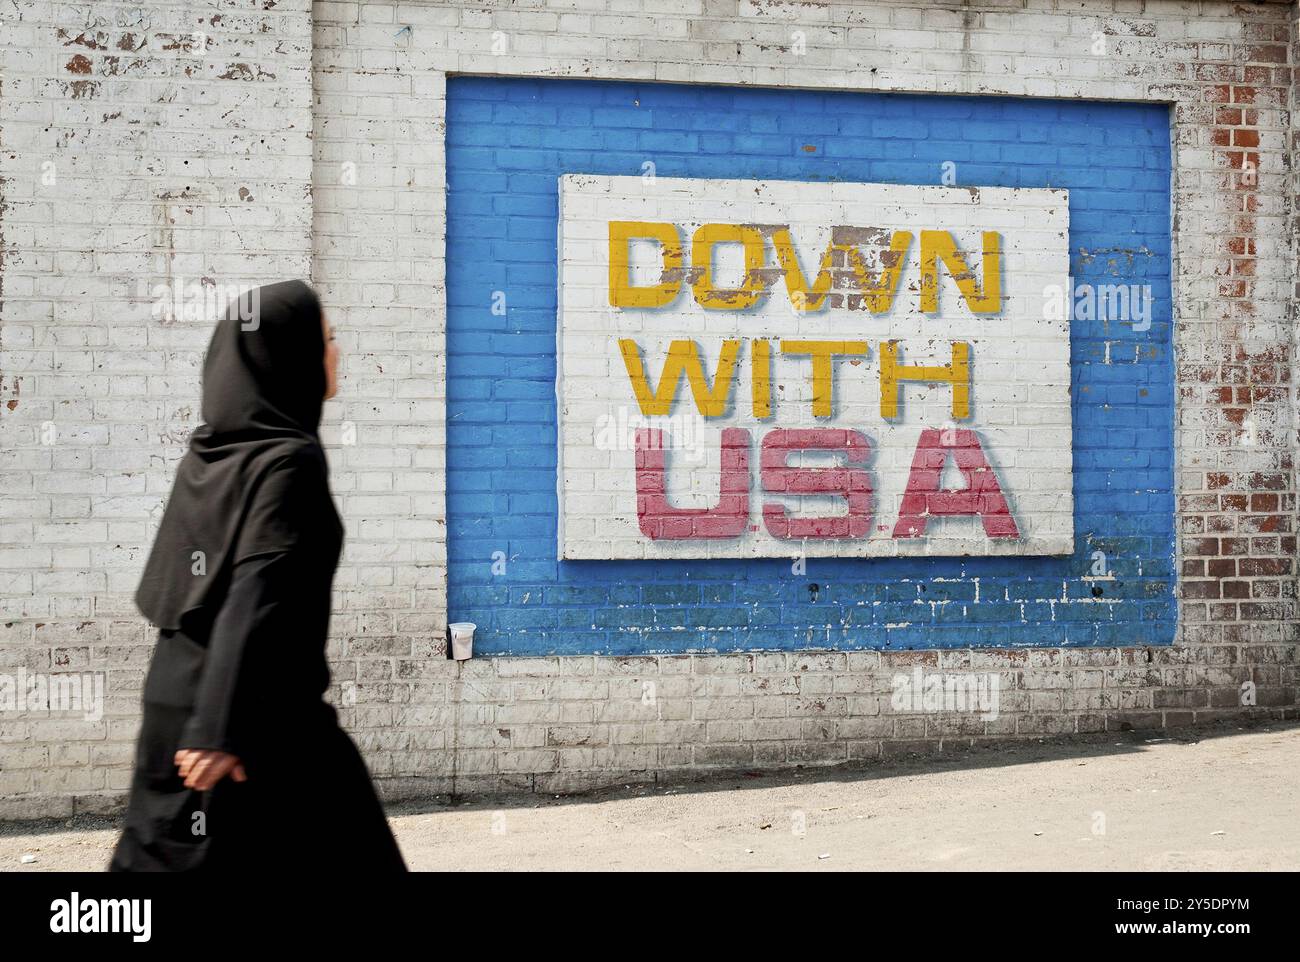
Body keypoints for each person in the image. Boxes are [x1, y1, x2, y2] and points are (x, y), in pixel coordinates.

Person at [110, 280, 407, 872]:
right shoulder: (288, 462)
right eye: (326, 338)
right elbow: (257, 592)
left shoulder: (210, 455)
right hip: (255, 721)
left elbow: (180, 598)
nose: (337, 351)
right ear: (288, 353)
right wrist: (219, 727)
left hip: (180, 702)